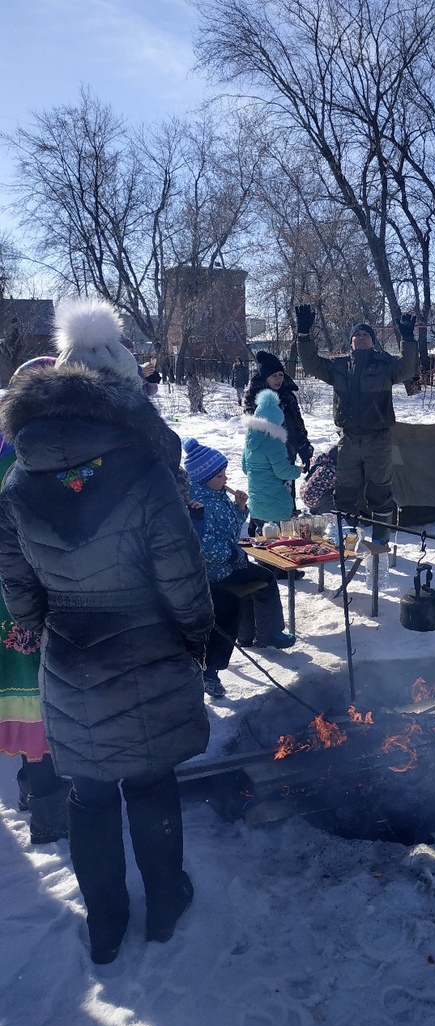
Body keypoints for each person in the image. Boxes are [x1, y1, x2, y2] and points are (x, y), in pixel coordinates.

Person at [0, 296, 214, 963]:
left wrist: (38, 627)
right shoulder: (148, 471)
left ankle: (105, 922)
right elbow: (183, 575)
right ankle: (165, 901)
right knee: (150, 785)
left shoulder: (16, 480)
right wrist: (196, 634)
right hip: (147, 647)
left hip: (69, 659)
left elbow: (16, 582)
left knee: (89, 795)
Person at [0, 361, 70, 847]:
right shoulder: (33, 459)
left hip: (11, 598)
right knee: (45, 699)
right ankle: (49, 814)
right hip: (32, 597)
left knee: (28, 696)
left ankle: (31, 790)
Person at [295, 305, 418, 552]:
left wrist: (407, 338)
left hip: (378, 439)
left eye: (365, 335)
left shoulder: (385, 365)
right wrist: (304, 335)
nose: (360, 338)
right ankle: (347, 542)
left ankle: (381, 544)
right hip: (349, 440)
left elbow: (407, 368)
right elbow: (311, 365)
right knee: (345, 493)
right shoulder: (338, 367)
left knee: (380, 491)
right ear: (351, 342)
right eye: (356, 336)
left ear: (372, 341)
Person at [182, 437, 294, 700]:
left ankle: (268, 633)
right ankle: (214, 669)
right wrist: (232, 554)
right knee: (229, 604)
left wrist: (240, 508)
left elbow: (231, 530)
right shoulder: (196, 502)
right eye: (219, 475)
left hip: (229, 563)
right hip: (211, 573)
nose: (224, 479)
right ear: (203, 478)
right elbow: (204, 544)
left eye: (224, 474)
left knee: (265, 579)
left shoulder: (219, 496)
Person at [242, 388, 301, 535]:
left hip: (256, 504)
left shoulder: (250, 441)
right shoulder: (274, 443)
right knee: (278, 543)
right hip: (276, 505)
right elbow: (282, 472)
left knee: (263, 540)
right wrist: (298, 470)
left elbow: (245, 468)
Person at [245, 352, 313, 473]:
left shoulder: (288, 396)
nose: (278, 379)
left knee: (287, 490)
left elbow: (298, 424)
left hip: (287, 453)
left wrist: (304, 450)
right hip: (264, 457)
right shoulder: (254, 397)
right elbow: (252, 429)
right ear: (265, 378)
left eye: (280, 374)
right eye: (273, 376)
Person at [301, 445, 338, 514]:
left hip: (306, 494)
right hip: (313, 498)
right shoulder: (331, 469)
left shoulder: (322, 462)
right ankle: (323, 511)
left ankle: (315, 508)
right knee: (339, 496)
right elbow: (341, 485)